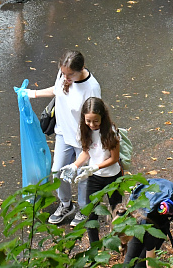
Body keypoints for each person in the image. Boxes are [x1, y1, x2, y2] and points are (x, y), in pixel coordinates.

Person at [24, 50, 101, 226]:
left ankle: (85, 208)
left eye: (70, 74)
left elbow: (95, 118)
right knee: (57, 171)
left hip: (83, 139)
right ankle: (66, 204)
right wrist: (31, 93)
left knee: (82, 175)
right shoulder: (64, 73)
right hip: (63, 134)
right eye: (63, 73)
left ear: (81, 69)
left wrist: (89, 147)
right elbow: (57, 90)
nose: (66, 77)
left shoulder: (91, 88)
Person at [61, 97, 122, 245]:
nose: (92, 125)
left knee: (117, 212)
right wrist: (74, 165)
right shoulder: (84, 131)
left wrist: (96, 166)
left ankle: (121, 243)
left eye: (96, 121)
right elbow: (86, 152)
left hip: (112, 176)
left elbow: (114, 158)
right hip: (94, 177)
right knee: (91, 213)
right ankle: (94, 247)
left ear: (103, 117)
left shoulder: (111, 132)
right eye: (88, 121)